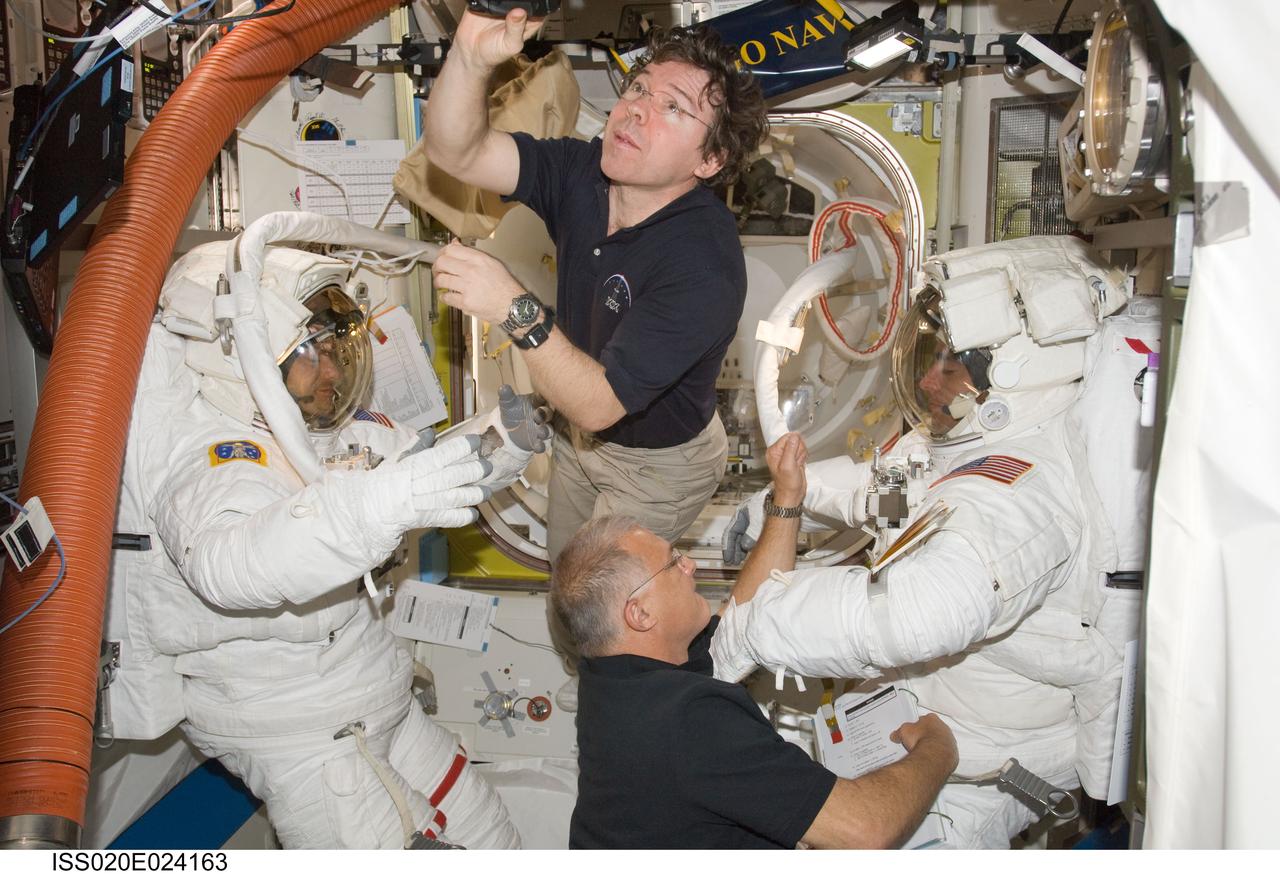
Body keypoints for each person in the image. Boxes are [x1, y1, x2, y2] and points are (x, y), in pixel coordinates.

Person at [101, 226, 544, 849]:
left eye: (338, 349)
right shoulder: (212, 456)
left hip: (374, 697)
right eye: (315, 352)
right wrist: (376, 509)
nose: (333, 370)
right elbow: (232, 565)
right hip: (309, 734)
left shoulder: (306, 430)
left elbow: (405, 465)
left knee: (496, 843)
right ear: (242, 348)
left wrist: (495, 448)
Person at [714, 235, 1140, 847]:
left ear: (1014, 372)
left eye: (953, 364)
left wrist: (751, 629)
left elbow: (919, 615)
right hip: (916, 718)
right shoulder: (970, 447)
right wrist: (779, 503)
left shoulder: (1024, 490)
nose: (933, 380)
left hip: (974, 774)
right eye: (930, 358)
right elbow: (890, 493)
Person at [421, 6, 769, 559]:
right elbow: (455, 152)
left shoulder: (704, 263)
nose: (634, 112)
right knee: (565, 583)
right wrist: (468, 55)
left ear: (710, 159)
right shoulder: (583, 172)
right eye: (638, 88)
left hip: (657, 467)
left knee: (602, 616)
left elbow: (601, 403)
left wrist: (513, 306)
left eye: (673, 108)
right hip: (579, 435)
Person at [548, 432, 958, 849]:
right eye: (673, 563)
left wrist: (787, 497)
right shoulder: (685, 720)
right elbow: (865, 832)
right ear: (639, 614)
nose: (689, 566)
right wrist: (938, 747)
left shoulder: (614, 674)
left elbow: (743, 612)